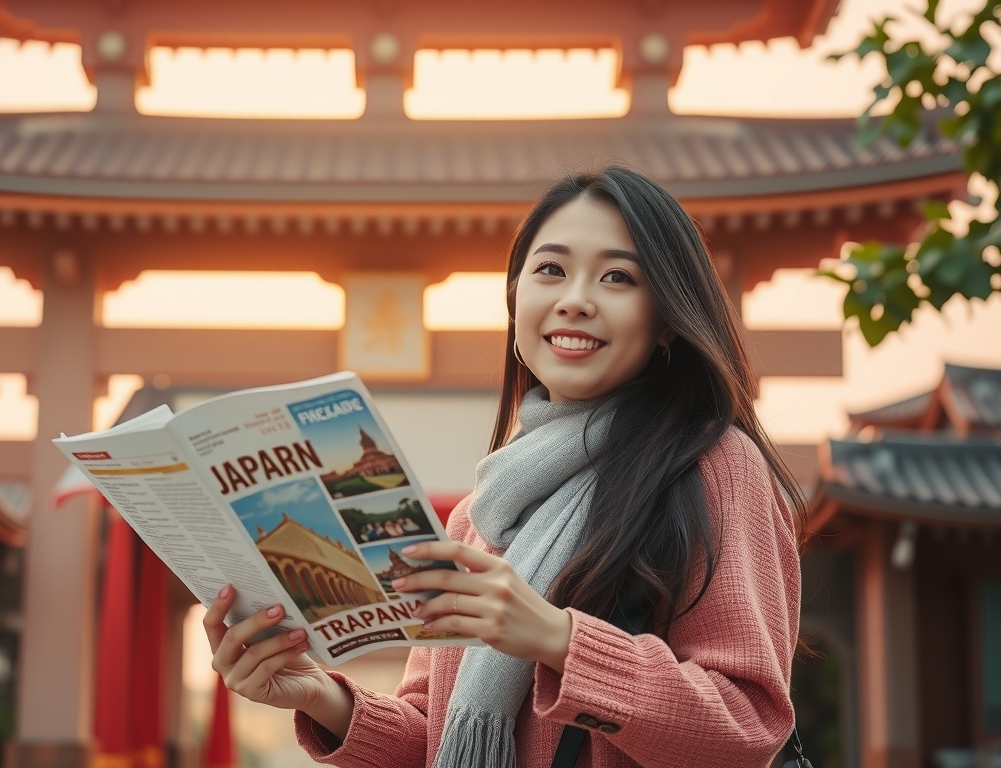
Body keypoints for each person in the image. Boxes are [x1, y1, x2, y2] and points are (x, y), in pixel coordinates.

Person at [202, 167, 806, 767]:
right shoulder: (477, 518)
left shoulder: (713, 468)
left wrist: (558, 639)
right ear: (516, 299)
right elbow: (438, 737)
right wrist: (320, 695)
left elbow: (747, 726)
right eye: (551, 270)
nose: (574, 300)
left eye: (617, 277)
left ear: (667, 322)